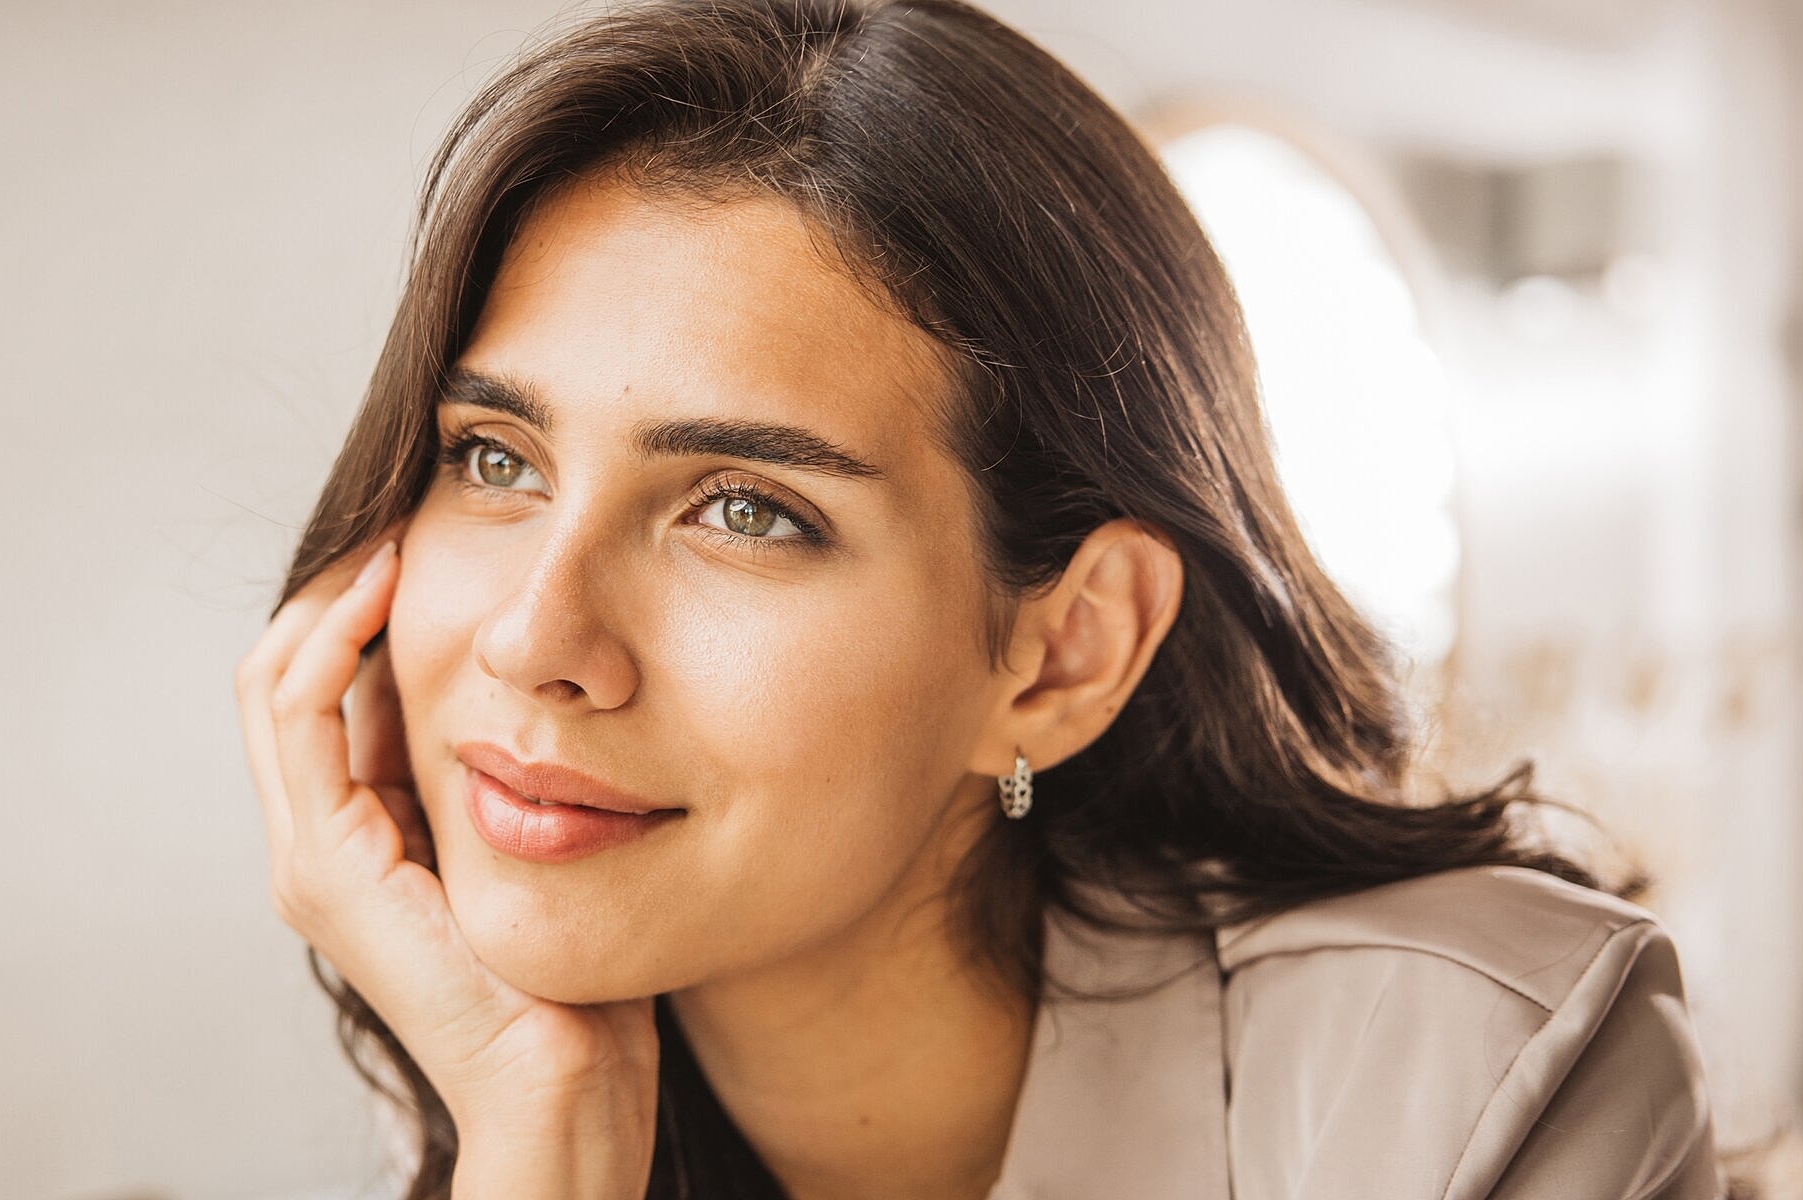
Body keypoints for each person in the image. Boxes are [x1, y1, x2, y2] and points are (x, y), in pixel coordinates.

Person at [232, 1, 1735, 1196]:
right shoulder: (505, 1074)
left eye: (746, 510)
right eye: (494, 458)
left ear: (1061, 654)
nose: (531, 640)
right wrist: (542, 1137)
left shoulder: (1467, 1082)